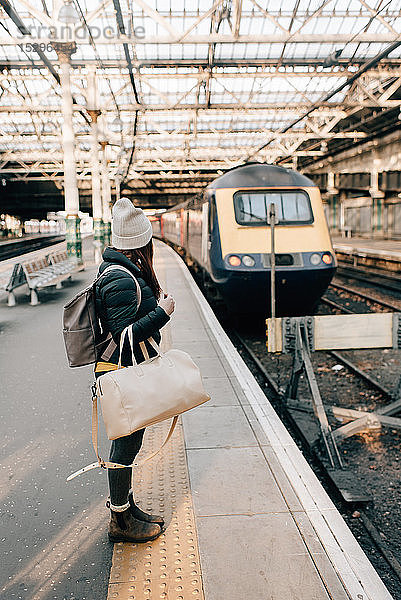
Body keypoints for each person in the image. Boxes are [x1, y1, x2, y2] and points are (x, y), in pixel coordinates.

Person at [94, 197, 175, 543]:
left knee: (130, 444)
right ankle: (121, 522)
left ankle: (127, 509)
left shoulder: (123, 271)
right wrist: (163, 313)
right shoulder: (121, 278)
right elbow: (124, 337)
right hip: (119, 374)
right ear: (139, 242)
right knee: (125, 449)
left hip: (124, 373)